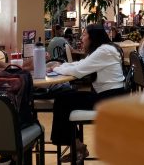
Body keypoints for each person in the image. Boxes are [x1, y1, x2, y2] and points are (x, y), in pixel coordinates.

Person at [51, 24, 127, 162]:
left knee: (62, 100)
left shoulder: (104, 51)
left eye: (84, 34)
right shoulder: (104, 49)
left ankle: (77, 146)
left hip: (108, 99)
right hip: (110, 96)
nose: (82, 38)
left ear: (93, 37)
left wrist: (55, 69)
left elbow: (78, 71)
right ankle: (76, 145)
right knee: (64, 97)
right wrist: (60, 66)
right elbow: (80, 64)